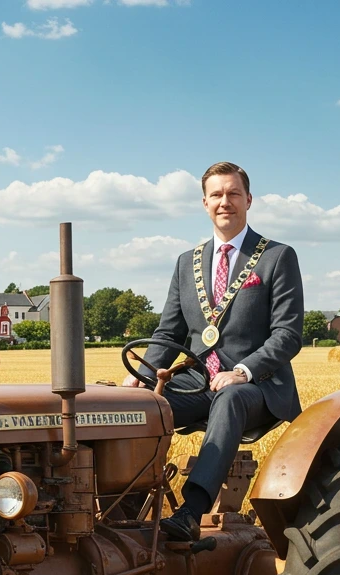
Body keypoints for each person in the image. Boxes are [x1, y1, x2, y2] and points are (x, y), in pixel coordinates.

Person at [123, 161, 303, 540]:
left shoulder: (277, 256)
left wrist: (243, 371)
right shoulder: (186, 262)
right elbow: (168, 330)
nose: (226, 202)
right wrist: (138, 379)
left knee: (230, 399)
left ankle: (190, 513)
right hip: (197, 380)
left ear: (249, 200)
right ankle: (124, 509)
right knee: (131, 407)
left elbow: (287, 335)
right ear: (204, 203)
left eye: (233, 193)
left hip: (259, 386)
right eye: (217, 195)